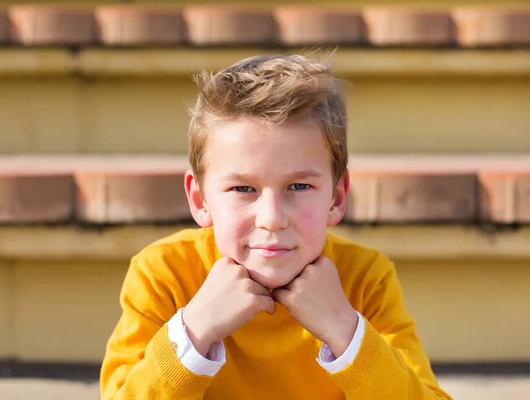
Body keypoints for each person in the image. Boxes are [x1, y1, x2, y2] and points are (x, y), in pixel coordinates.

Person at [100, 54, 453, 399]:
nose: (272, 218)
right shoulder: (163, 274)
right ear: (199, 199)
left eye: (299, 187)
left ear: (337, 196)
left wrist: (348, 332)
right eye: (243, 188)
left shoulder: (365, 281)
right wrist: (193, 331)